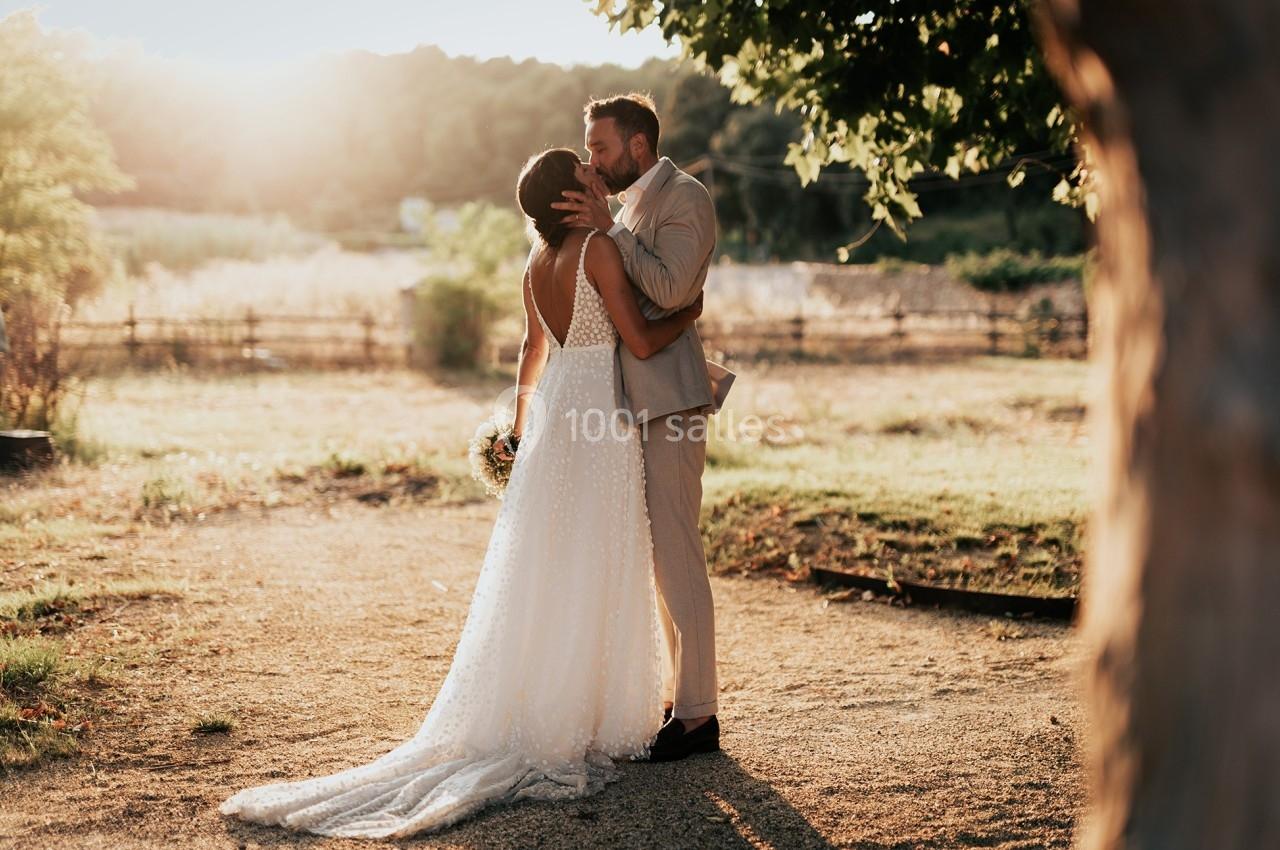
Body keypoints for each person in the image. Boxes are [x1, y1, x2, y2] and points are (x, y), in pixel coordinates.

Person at [218, 147, 704, 839]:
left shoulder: (535, 265)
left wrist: (521, 431)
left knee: (547, 561)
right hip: (600, 418)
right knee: (596, 558)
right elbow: (641, 341)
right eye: (587, 175)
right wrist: (690, 312)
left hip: (557, 416)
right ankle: (582, 713)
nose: (599, 179)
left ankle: (556, 699)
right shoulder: (599, 248)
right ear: (570, 197)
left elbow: (531, 353)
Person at [553, 92, 735, 761]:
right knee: (658, 558)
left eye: (599, 147)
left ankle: (698, 717)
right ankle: (678, 696)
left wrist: (612, 228)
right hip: (633, 408)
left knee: (678, 555)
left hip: (671, 403)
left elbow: (670, 290)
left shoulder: (685, 197)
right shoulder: (631, 206)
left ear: (637, 144)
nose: (592, 160)